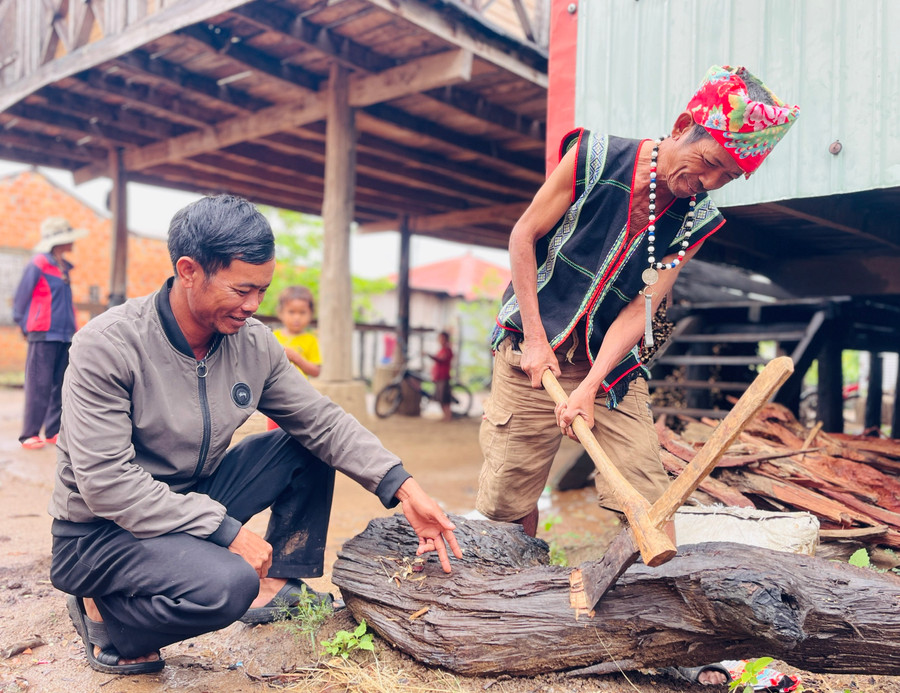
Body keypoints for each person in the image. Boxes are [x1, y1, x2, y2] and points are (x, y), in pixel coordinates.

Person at [476, 66, 798, 686]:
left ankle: (671, 634)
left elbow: (642, 305)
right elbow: (523, 236)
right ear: (683, 126)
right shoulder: (593, 157)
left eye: (728, 177)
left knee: (650, 495)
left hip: (612, 363)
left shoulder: (696, 219)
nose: (709, 182)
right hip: (533, 344)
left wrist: (590, 384)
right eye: (709, 163)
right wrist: (537, 341)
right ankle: (511, 603)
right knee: (509, 495)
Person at [48, 194, 462, 675]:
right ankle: (106, 614)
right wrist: (226, 532)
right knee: (228, 585)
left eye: (262, 290)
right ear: (188, 271)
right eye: (242, 290)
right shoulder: (108, 345)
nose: (254, 306)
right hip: (101, 531)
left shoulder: (254, 344)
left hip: (187, 500)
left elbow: (322, 421)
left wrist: (404, 487)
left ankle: (277, 581)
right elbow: (106, 484)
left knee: (308, 445)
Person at [13, 217, 87, 450]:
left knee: (60, 384)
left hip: (65, 334)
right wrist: (23, 324)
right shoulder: (38, 263)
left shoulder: (63, 267)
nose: (73, 242)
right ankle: (29, 434)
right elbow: (21, 297)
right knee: (39, 383)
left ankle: (53, 431)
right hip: (43, 332)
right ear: (59, 241)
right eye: (69, 238)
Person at [266, 285, 322, 430]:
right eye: (291, 312)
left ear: (311, 314)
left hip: (300, 395)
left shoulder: (311, 340)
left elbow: (316, 371)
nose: (297, 317)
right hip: (275, 393)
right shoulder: (273, 336)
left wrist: (297, 358)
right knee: (273, 430)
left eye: (302, 312)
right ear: (281, 313)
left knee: (297, 430)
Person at [427, 331, 454, 421]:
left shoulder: (447, 350)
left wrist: (430, 356)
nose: (440, 340)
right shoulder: (441, 350)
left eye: (442, 338)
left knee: (444, 398)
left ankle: (448, 416)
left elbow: (441, 360)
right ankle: (446, 416)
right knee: (440, 398)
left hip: (444, 377)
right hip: (438, 377)